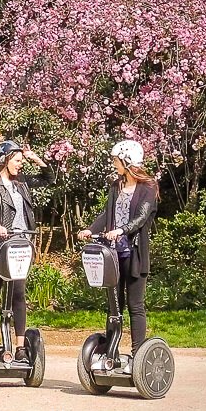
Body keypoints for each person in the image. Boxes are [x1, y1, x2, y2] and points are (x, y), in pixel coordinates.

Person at [78, 140, 158, 373]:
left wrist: (121, 230)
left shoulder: (148, 187)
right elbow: (108, 214)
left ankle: (137, 356)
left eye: (116, 160)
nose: (114, 164)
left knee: (135, 305)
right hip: (113, 254)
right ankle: (110, 353)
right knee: (114, 306)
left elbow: (142, 217)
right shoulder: (116, 185)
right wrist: (91, 230)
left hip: (133, 252)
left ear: (127, 161)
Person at [0, 140, 55, 361]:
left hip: (20, 245)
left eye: (21, 161)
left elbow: (50, 179)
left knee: (18, 294)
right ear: (5, 160)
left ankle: (19, 347)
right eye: (17, 160)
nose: (20, 165)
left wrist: (34, 158)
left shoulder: (22, 183)